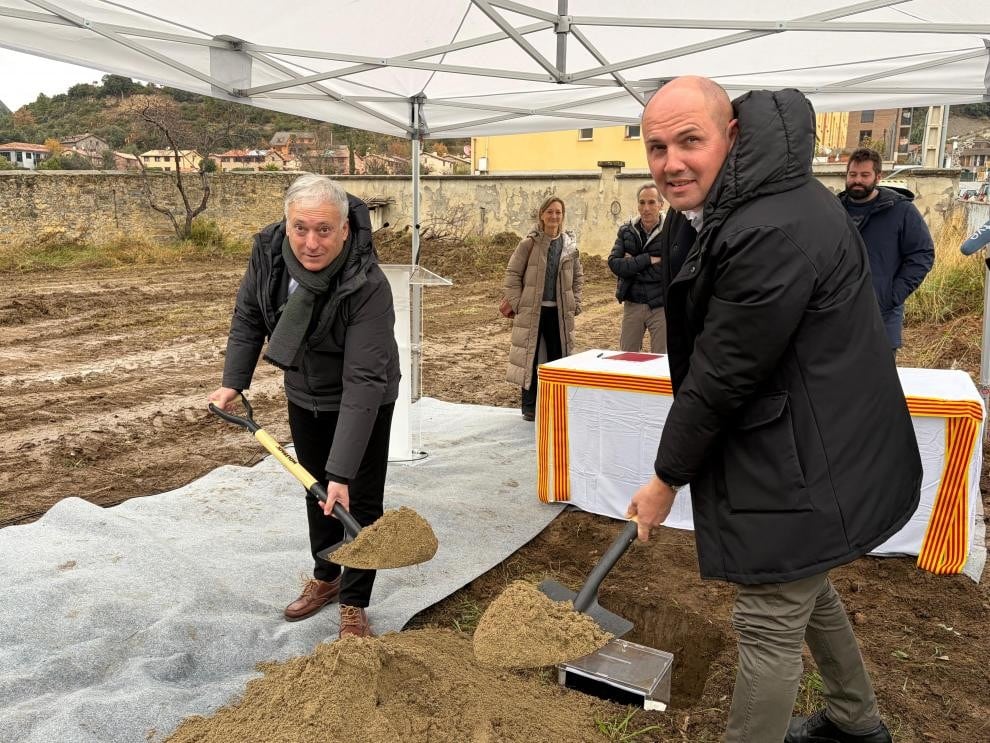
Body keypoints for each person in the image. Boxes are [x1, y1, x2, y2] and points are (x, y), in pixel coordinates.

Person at [627, 77, 921, 743]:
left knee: (767, 621)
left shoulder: (770, 229)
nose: (670, 162)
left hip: (808, 456)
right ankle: (855, 719)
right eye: (656, 147)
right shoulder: (744, 199)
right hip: (803, 437)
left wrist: (665, 478)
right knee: (803, 586)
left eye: (689, 141)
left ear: (731, 133)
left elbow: (723, 372)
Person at [208, 173, 400, 639]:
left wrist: (342, 471)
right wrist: (234, 381)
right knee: (317, 493)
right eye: (301, 229)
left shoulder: (368, 283)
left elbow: (363, 379)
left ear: (345, 230)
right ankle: (327, 577)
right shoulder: (269, 253)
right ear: (287, 223)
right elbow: (250, 313)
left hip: (364, 398)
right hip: (303, 389)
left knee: (357, 499)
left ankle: (354, 602)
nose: (311, 243)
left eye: (324, 230)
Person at [839, 148, 934, 354]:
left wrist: (892, 295)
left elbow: (922, 254)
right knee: (838, 384)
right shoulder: (833, 210)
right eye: (853, 174)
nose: (857, 180)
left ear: (878, 176)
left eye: (865, 175)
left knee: (879, 383)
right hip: (837, 318)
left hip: (882, 317)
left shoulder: (901, 211)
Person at [502, 196, 584, 421]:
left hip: (559, 313)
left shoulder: (569, 246)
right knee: (530, 358)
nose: (554, 216)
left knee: (559, 359)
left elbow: (578, 276)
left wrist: (575, 302)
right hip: (533, 312)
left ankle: (557, 405)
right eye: (550, 212)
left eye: (558, 212)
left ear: (562, 216)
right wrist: (520, 304)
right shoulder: (529, 244)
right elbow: (512, 274)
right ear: (541, 215)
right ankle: (529, 407)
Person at [607, 184, 668, 352]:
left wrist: (632, 265)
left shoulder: (671, 231)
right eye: (642, 202)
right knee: (627, 358)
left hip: (660, 306)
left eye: (651, 202)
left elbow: (670, 268)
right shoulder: (626, 230)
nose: (646, 208)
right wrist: (648, 259)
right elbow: (614, 264)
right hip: (632, 304)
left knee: (662, 361)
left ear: (661, 205)